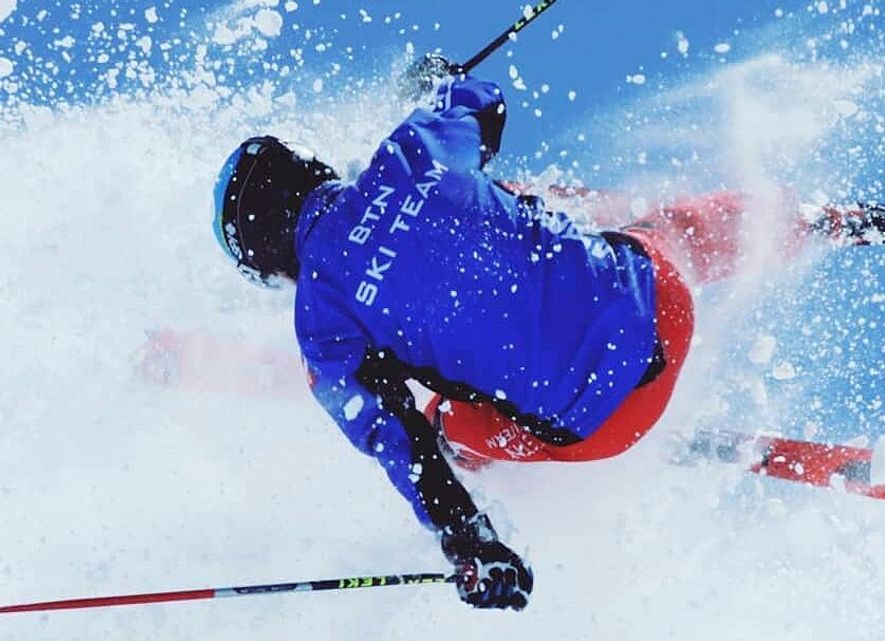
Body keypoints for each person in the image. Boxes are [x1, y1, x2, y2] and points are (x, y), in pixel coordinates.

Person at [211, 72, 745, 611]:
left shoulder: (322, 320)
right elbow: (482, 100)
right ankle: (773, 222)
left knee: (443, 424)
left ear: (268, 262)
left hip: (609, 424)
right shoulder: (409, 149)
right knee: (549, 212)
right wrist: (437, 83)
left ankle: (494, 453)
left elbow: (400, 443)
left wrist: (471, 543)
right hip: (664, 304)